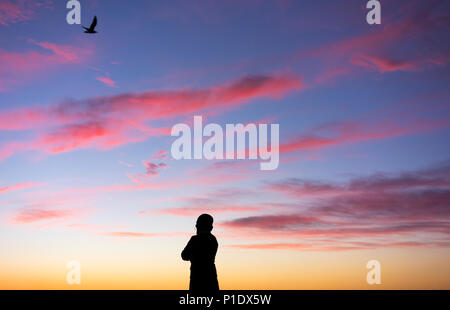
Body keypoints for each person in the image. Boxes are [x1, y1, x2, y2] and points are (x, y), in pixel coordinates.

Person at [181, 214, 219, 293]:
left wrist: (193, 255)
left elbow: (184, 256)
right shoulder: (213, 239)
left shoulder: (195, 239)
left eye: (197, 225)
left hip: (197, 278)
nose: (196, 228)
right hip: (210, 277)